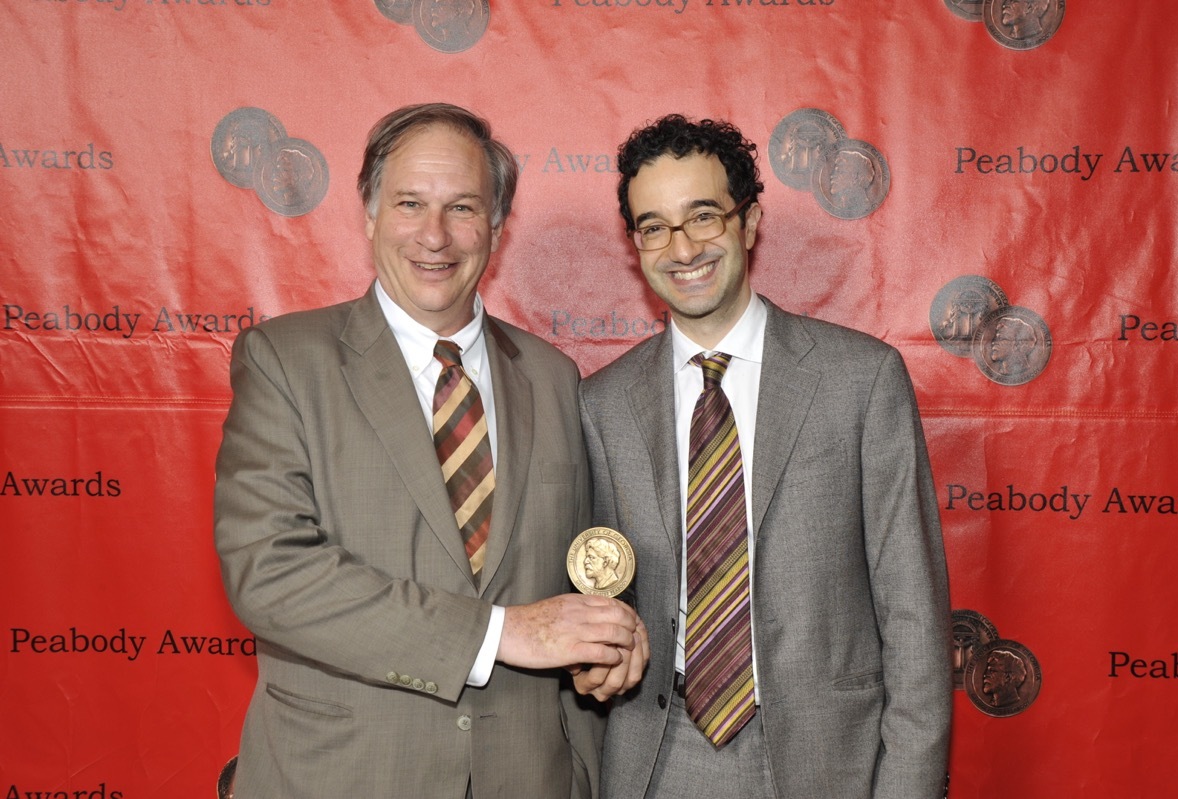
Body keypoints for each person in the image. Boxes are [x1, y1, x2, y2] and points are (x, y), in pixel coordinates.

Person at [214, 102, 646, 799]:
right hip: (341, 774)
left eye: (463, 207)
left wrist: (609, 644)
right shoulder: (285, 362)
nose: (435, 236)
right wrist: (499, 632)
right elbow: (269, 573)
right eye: (411, 203)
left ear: (497, 228)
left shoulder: (554, 376)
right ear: (369, 215)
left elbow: (587, 566)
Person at [575, 114, 952, 798]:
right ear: (635, 245)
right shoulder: (602, 404)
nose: (681, 246)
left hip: (829, 759)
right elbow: (600, 586)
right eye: (654, 225)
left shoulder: (861, 380)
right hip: (660, 759)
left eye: (703, 216)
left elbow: (914, 617)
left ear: (749, 223)